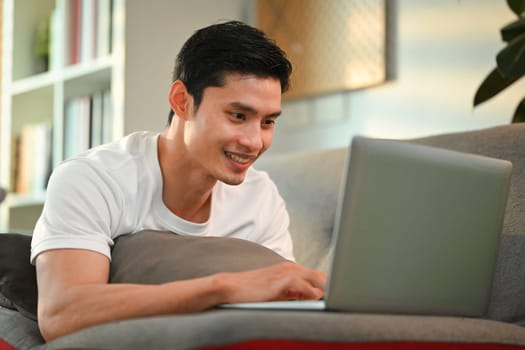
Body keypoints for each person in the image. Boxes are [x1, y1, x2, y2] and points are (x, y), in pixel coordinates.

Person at [31, 20, 326, 342]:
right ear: (182, 101)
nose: (254, 142)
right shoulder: (92, 178)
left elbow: (281, 307)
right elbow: (59, 314)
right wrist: (222, 287)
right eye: (238, 116)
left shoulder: (261, 196)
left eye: (268, 122)